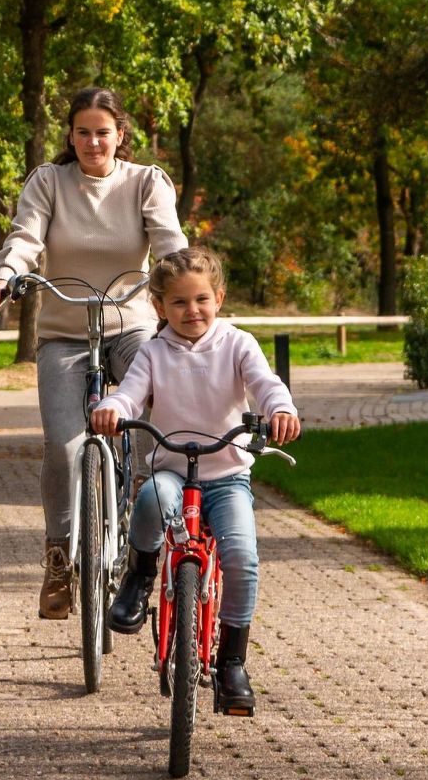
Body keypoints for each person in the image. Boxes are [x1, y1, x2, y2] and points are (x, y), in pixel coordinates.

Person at [0, 88, 187, 619]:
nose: (93, 141)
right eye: (82, 132)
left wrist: (184, 290)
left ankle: (146, 529)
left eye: (103, 132)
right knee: (64, 446)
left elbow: (168, 245)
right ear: (69, 137)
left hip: (131, 324)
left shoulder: (146, 182)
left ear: (121, 134)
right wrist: (6, 276)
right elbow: (25, 238)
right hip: (64, 331)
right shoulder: (49, 182)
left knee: (148, 429)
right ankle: (58, 557)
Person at [91, 244, 301, 717]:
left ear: (219, 298)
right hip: (171, 471)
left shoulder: (237, 344)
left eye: (202, 299)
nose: (192, 311)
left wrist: (280, 409)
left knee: (243, 559)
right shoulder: (152, 352)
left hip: (226, 476)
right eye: (179, 303)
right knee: (147, 499)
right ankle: (140, 576)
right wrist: (112, 410)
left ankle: (231, 664)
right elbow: (129, 395)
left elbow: (265, 383)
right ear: (159, 307)